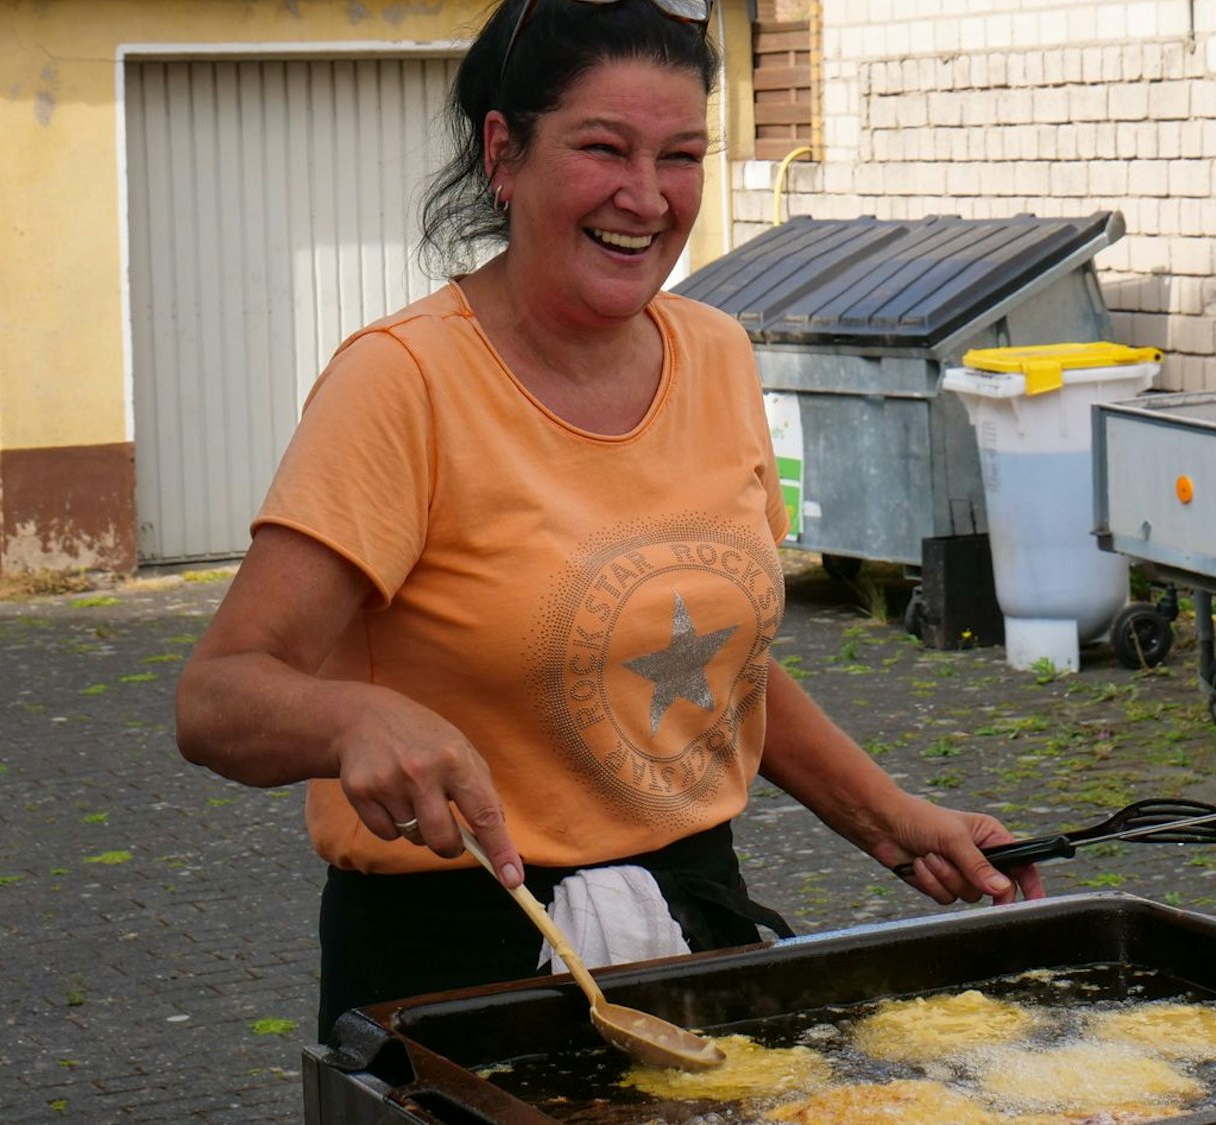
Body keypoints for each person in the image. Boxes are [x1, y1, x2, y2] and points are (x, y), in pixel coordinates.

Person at [175, 0, 1044, 1044]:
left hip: (693, 919)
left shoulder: (716, 352)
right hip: (456, 960)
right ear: (504, 152)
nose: (646, 196)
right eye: (603, 148)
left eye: (680, 155)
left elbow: (721, 657)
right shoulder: (401, 382)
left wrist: (894, 822)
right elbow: (217, 699)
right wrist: (353, 719)